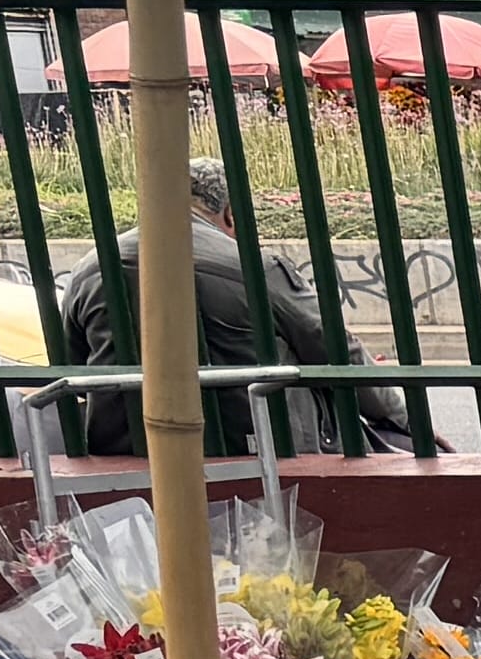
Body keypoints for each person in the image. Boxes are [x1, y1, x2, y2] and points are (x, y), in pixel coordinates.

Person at [45, 158, 429, 459]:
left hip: (126, 450)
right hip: (258, 448)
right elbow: (335, 352)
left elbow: (71, 361)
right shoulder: (255, 268)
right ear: (230, 214)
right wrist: (402, 419)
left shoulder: (92, 268)